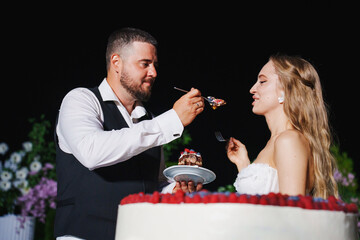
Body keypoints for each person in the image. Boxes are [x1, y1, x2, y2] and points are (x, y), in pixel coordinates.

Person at [54, 27, 204, 240]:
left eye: (155, 65)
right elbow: (92, 151)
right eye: (145, 64)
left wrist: (175, 189)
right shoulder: (80, 100)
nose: (154, 73)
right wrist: (173, 119)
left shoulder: (149, 120)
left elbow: (153, 184)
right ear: (116, 63)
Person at [226, 54, 338, 199]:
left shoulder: (288, 140)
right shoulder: (276, 141)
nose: (252, 89)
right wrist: (243, 164)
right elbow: (262, 198)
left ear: (285, 89)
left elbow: (291, 211)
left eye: (262, 81)